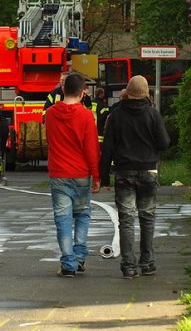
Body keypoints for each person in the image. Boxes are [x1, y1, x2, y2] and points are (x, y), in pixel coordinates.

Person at [99, 76, 171, 279]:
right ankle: (147, 263)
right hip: (148, 171)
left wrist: (104, 178)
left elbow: (107, 149)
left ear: (127, 92)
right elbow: (164, 143)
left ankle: (128, 266)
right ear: (146, 93)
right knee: (147, 218)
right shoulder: (152, 114)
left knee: (126, 220)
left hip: (123, 173)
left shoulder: (116, 115)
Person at [43, 74, 101, 277]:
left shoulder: (49, 114)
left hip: (58, 172)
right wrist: (97, 175)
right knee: (83, 214)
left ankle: (68, 264)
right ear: (82, 92)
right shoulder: (86, 116)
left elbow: (49, 140)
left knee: (62, 219)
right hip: (80, 173)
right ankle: (80, 256)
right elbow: (92, 148)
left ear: (62, 90)